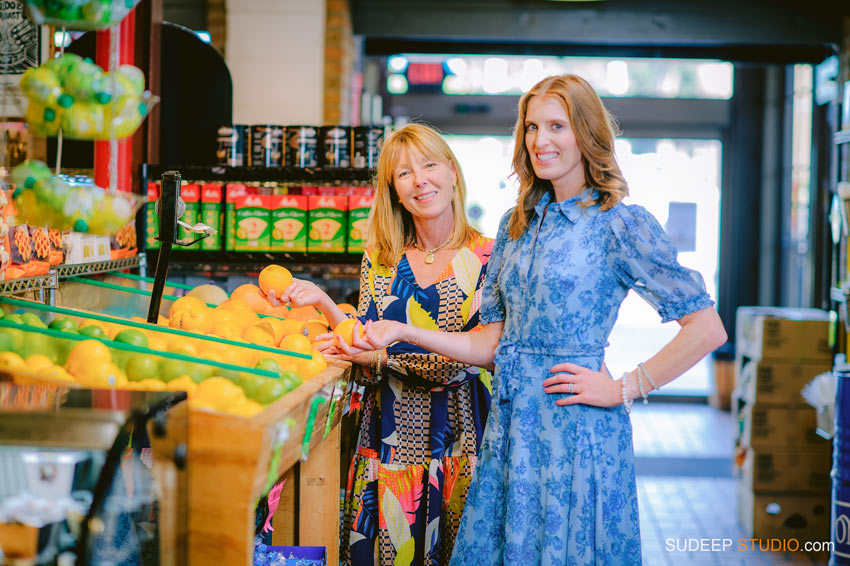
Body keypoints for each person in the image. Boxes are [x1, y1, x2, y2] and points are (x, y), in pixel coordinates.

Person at [337, 74, 728, 565]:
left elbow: (707, 327)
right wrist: (401, 331)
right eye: (531, 127)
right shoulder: (516, 223)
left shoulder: (619, 222)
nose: (541, 141)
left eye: (557, 126)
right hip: (509, 432)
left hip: (577, 431)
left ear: (586, 133)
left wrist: (625, 387)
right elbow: (490, 345)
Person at [276, 123, 495, 566]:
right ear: (393, 190)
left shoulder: (489, 255)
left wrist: (379, 349)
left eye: (430, 165)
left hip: (462, 444)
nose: (420, 181)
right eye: (404, 174)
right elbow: (367, 335)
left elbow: (456, 362)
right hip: (387, 442)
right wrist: (322, 303)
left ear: (452, 172)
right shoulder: (380, 257)